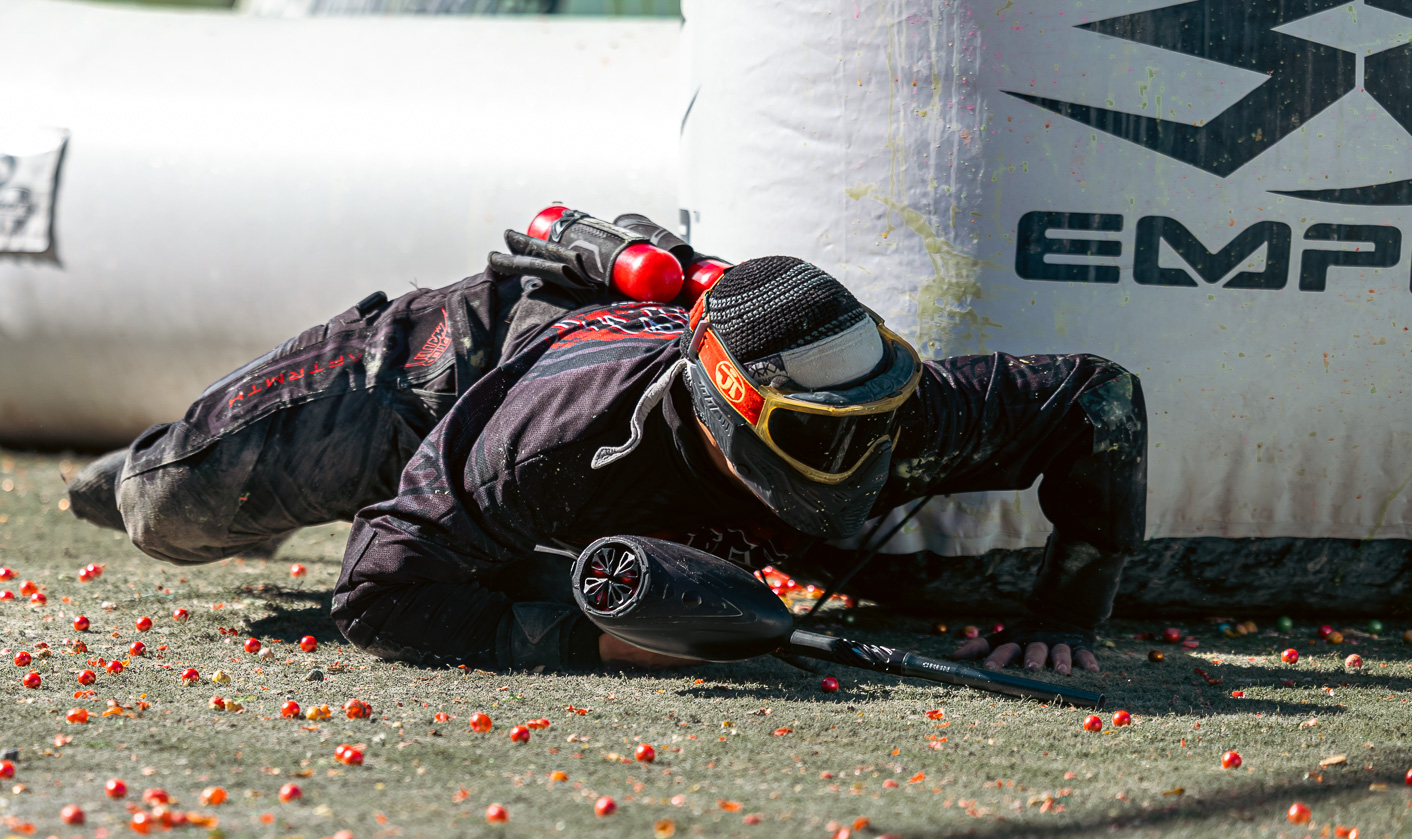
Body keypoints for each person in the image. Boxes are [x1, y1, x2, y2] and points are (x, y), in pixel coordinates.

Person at [69, 228, 1146, 679]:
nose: (867, 454)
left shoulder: (902, 413)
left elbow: (1101, 398)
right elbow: (377, 593)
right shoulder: (558, 438)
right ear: (730, 410)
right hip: (441, 375)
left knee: (490, 549)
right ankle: (135, 467)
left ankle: (457, 524)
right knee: (170, 511)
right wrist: (600, 648)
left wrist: (1066, 611)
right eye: (825, 435)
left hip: (542, 447)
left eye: (877, 417)